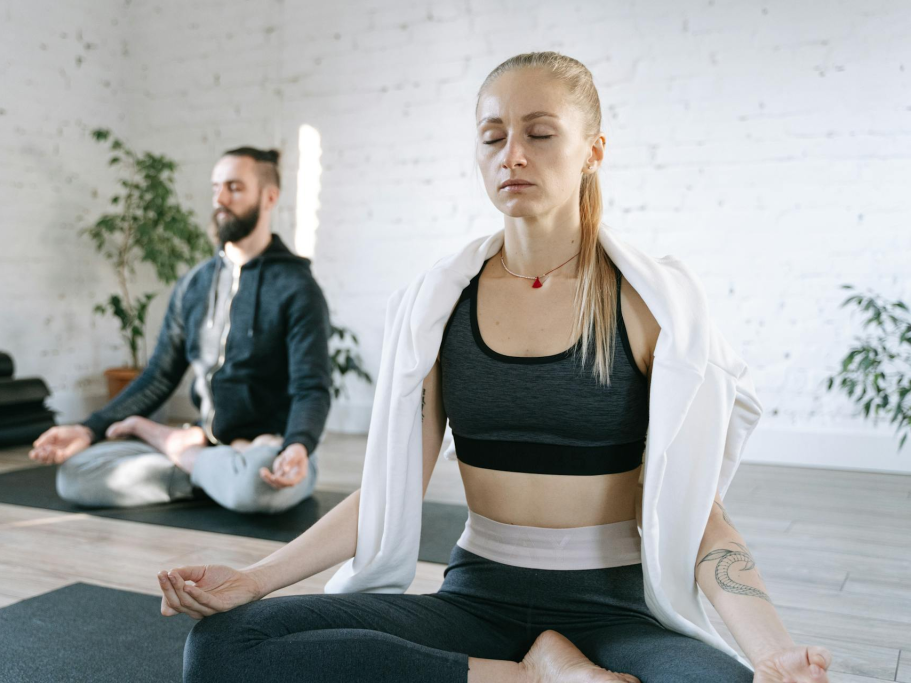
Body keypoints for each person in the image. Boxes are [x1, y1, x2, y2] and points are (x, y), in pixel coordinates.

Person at [154, 53, 833, 683]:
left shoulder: (651, 307)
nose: (512, 154)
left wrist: (770, 649)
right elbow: (387, 490)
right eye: (492, 136)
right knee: (223, 645)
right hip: (478, 599)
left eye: (539, 134)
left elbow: (701, 514)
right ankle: (529, 674)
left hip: (617, 614)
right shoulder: (439, 305)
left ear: (593, 151)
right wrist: (253, 578)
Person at [28, 147, 333, 515]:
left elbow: (311, 388)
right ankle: (209, 471)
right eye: (216, 187)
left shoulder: (298, 288)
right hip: (209, 445)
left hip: (272, 449)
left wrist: (298, 446)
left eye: (234, 188)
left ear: (269, 198)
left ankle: (181, 452)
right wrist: (87, 430)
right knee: (76, 474)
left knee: (258, 485)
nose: (220, 199)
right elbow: (158, 376)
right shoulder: (194, 284)